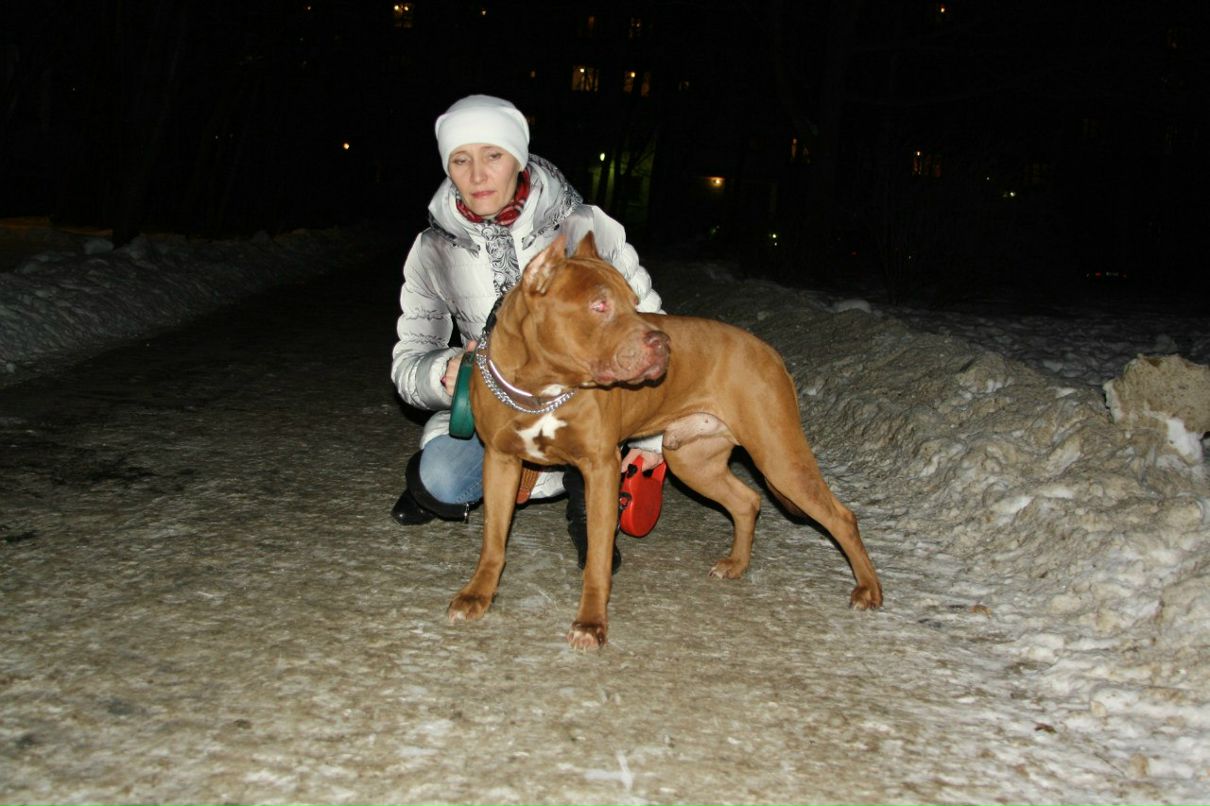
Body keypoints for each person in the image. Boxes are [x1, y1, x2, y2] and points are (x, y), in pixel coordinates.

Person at [389, 94, 664, 573]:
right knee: (440, 479)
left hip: (584, 402)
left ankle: (589, 496)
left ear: (518, 158)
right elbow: (409, 359)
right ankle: (468, 485)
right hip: (499, 402)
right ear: (448, 168)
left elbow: (650, 324)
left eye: (492, 156)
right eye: (461, 159)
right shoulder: (432, 249)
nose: (477, 175)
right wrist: (441, 372)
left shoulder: (584, 227)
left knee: (592, 415)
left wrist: (648, 444)